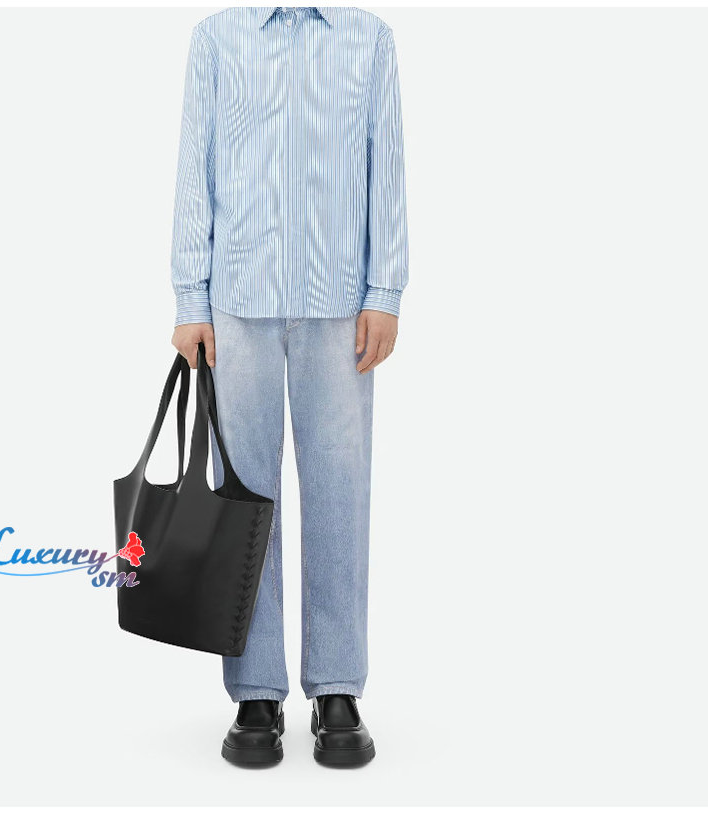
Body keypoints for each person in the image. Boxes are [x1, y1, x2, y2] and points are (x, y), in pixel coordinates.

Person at [169, 6, 408, 768]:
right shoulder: (217, 38)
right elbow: (196, 168)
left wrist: (386, 290)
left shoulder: (370, 40)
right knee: (244, 495)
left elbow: (385, 166)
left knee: (340, 491)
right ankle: (255, 688)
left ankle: (337, 685)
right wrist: (190, 300)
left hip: (340, 306)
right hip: (238, 304)